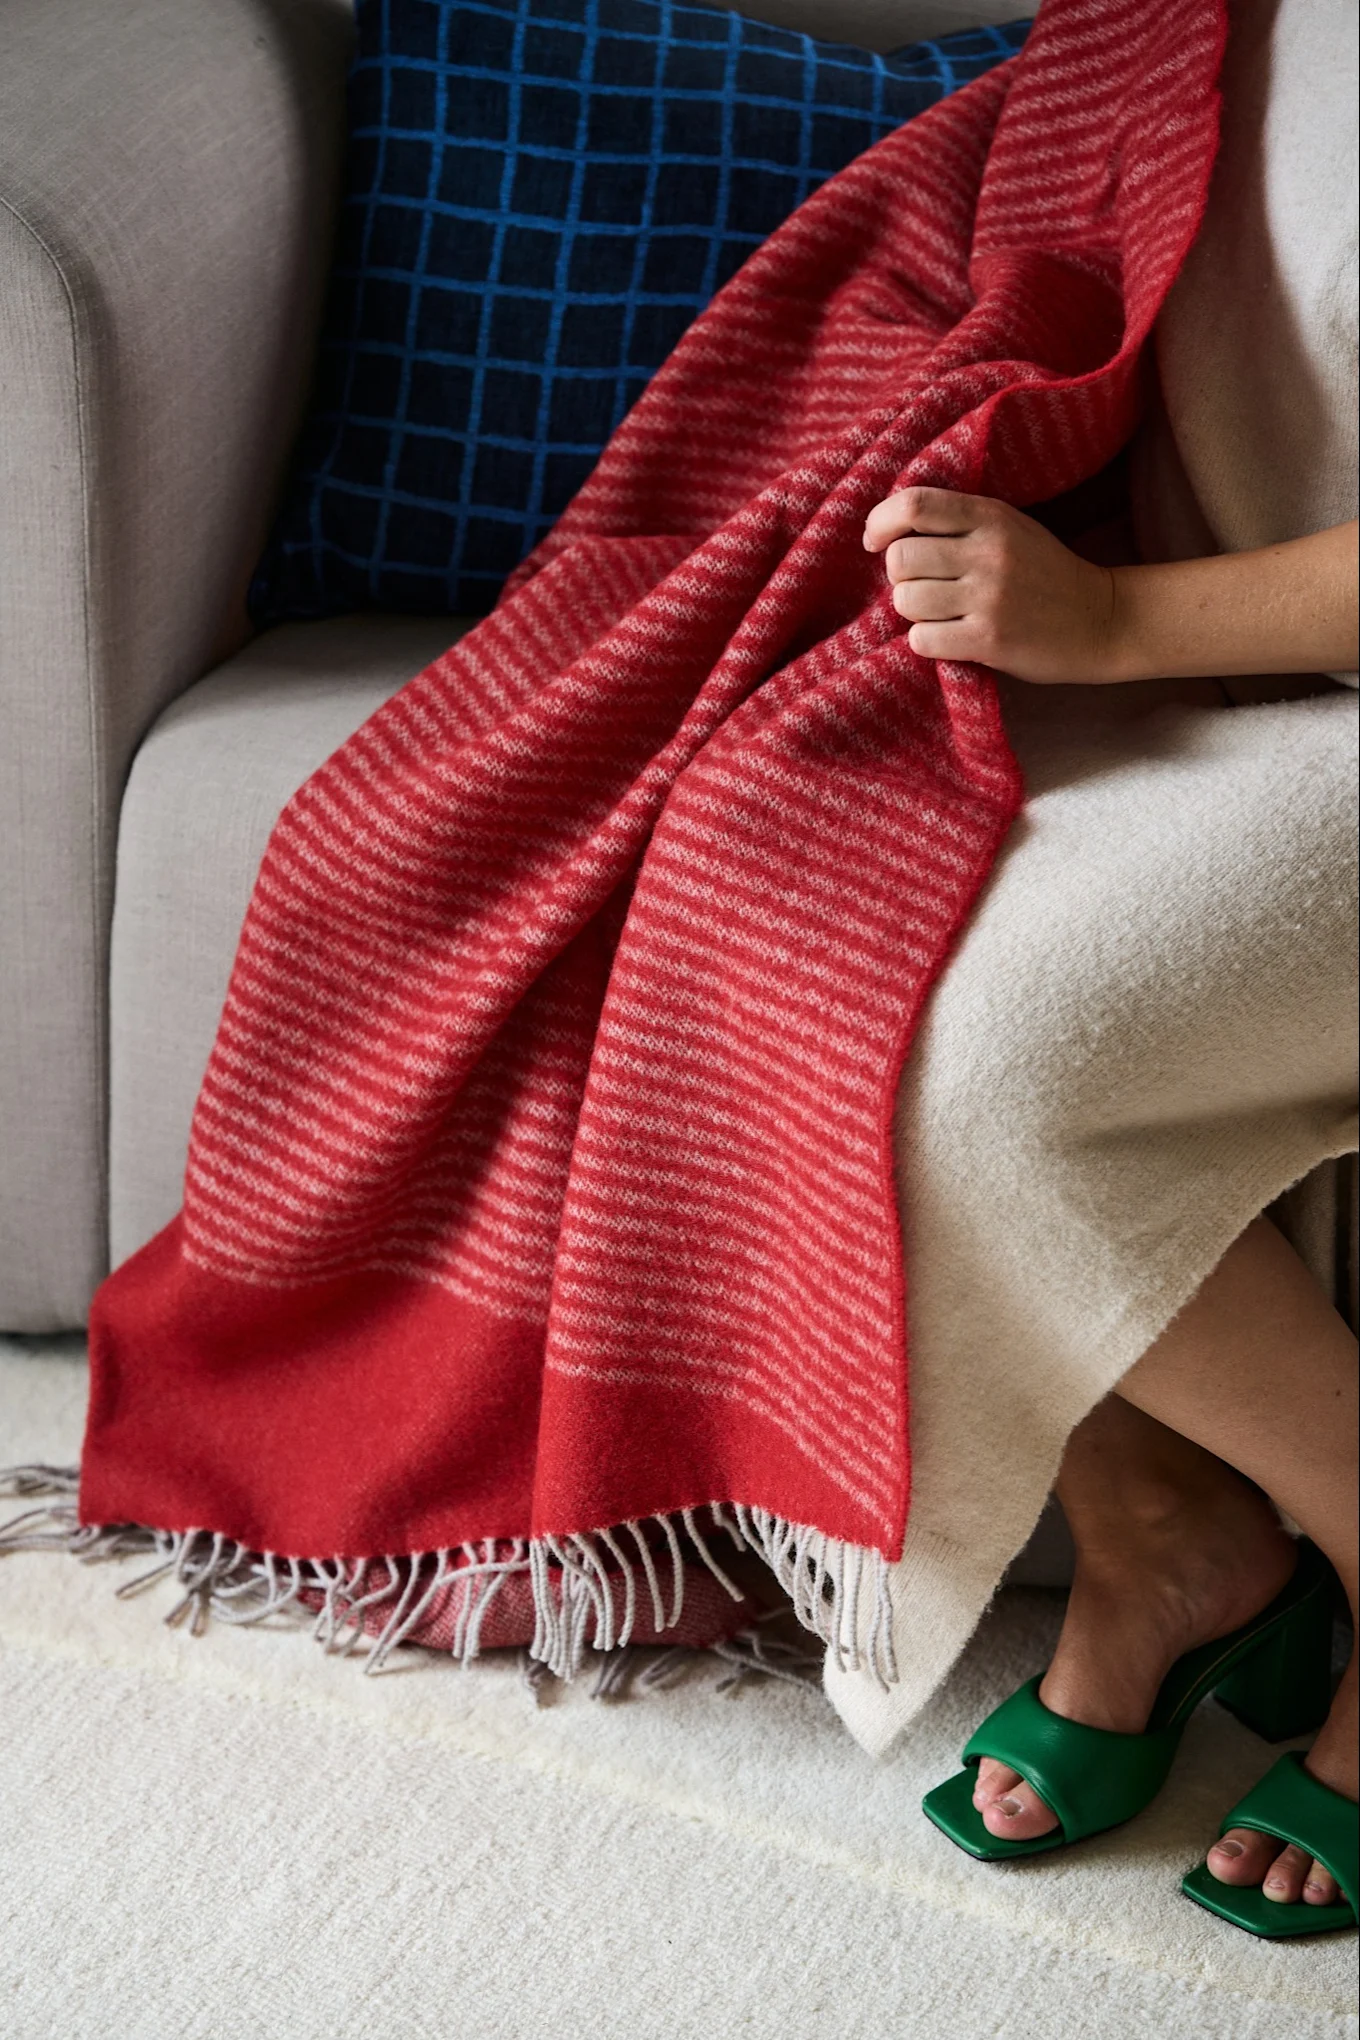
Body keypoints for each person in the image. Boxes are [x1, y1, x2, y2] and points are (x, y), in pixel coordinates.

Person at [837, 0, 1358, 1937]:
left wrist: (1111, 619)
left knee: (983, 1073)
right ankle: (1167, 1537)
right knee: (807, 892)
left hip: (1273, 689)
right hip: (1239, 690)